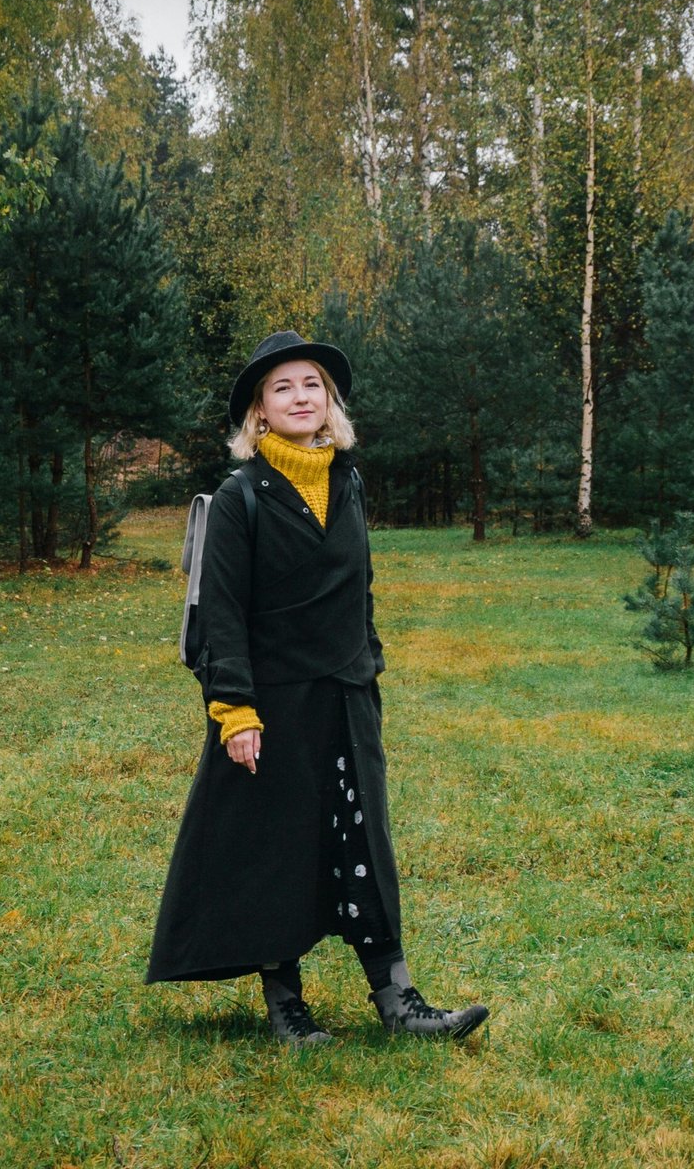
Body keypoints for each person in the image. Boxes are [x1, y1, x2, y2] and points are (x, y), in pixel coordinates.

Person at [145, 330, 489, 1046]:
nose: (301, 397)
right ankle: (286, 1006)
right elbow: (222, 614)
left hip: (346, 693)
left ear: (328, 402)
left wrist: (369, 660)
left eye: (312, 386)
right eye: (283, 388)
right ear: (259, 414)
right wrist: (235, 711)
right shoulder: (243, 498)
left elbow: (356, 585)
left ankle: (398, 1001)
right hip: (272, 703)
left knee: (366, 837)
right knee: (280, 846)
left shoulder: (347, 480)